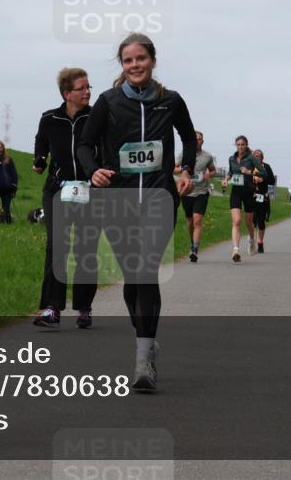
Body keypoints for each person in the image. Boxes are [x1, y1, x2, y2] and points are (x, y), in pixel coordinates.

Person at [77, 32, 195, 391]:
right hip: (118, 201)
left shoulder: (170, 101)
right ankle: (145, 335)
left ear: (152, 61)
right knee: (133, 279)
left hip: (159, 199)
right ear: (122, 65)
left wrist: (187, 170)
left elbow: (188, 137)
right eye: (128, 60)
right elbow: (85, 144)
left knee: (145, 271)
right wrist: (93, 171)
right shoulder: (108, 101)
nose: (135, 65)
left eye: (140, 58)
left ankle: (144, 359)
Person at [32, 68, 100, 328]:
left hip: (90, 190)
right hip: (57, 190)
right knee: (57, 245)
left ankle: (84, 307)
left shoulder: (96, 117)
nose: (87, 92)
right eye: (82, 88)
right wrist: (39, 159)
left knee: (85, 248)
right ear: (66, 93)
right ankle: (52, 307)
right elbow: (41, 142)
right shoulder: (50, 118)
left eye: (89, 87)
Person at [173, 131, 216, 263]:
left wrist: (209, 174)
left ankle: (195, 250)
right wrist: (182, 170)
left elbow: (213, 170)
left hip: (201, 192)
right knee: (191, 222)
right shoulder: (184, 154)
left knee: (197, 220)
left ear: (203, 141)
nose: (197, 141)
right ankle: (192, 243)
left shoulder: (207, 156)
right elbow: (174, 168)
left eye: (200, 139)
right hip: (187, 191)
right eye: (195, 139)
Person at [221, 136, 262, 261]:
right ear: (235, 145)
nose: (240, 146)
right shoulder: (231, 158)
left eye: (242, 144)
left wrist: (249, 172)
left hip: (249, 192)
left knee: (248, 223)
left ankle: (251, 240)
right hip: (236, 192)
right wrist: (226, 179)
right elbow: (231, 172)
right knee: (237, 221)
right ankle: (235, 250)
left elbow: (262, 173)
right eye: (238, 144)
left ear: (246, 145)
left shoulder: (252, 159)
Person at [251, 149, 276, 253]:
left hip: (262, 196)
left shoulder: (266, 167)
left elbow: (272, 181)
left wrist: (262, 179)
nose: (257, 157)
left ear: (262, 158)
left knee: (261, 221)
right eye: (255, 156)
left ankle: (260, 242)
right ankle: (252, 241)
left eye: (259, 156)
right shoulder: (249, 166)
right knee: (253, 220)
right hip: (251, 195)